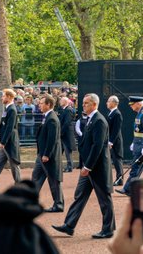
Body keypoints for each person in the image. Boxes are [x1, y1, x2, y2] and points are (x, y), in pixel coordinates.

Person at [52, 93, 115, 239]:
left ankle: (108, 229)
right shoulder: (91, 119)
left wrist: (88, 167)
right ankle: (69, 225)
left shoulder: (99, 120)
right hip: (88, 167)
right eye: (84, 103)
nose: (83, 105)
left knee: (105, 199)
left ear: (94, 104)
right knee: (80, 196)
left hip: (96, 168)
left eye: (86, 103)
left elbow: (97, 146)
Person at [116, 96, 143, 196]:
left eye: (132, 104)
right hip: (140, 144)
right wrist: (134, 142)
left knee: (135, 168)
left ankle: (128, 189)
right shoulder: (140, 113)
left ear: (138, 103)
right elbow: (139, 131)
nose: (131, 106)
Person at [31, 94, 64, 212]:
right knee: (35, 178)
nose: (39, 105)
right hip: (42, 155)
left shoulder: (52, 118)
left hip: (48, 156)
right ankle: (29, 201)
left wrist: (46, 154)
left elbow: (52, 139)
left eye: (41, 103)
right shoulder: (47, 116)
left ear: (48, 104)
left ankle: (59, 204)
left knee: (54, 180)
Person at [106, 95, 124, 186]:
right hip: (111, 140)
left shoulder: (117, 114)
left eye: (109, 101)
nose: (107, 103)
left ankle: (120, 179)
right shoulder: (111, 113)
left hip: (115, 142)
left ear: (114, 103)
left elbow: (116, 129)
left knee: (117, 160)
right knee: (114, 160)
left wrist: (111, 141)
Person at [58, 97, 76, 172]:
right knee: (62, 151)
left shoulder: (68, 110)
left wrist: (61, 132)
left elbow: (67, 122)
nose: (60, 102)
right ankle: (65, 166)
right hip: (64, 134)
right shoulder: (65, 109)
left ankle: (70, 167)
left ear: (65, 101)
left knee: (67, 151)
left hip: (66, 134)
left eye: (61, 100)